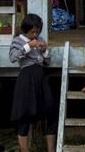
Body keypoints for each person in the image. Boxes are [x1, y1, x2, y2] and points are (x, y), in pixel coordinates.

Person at [9, 14, 58, 152]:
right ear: (25, 30)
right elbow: (13, 57)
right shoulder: (17, 41)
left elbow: (47, 62)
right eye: (32, 32)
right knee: (24, 115)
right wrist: (28, 46)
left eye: (37, 32)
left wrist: (45, 51)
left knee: (50, 112)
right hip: (26, 79)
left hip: (40, 78)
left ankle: (51, 149)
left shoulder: (40, 40)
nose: (35, 34)